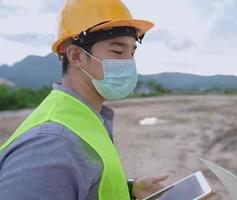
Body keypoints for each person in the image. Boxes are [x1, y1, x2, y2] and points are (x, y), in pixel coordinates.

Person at [0, 0, 169, 199]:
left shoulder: (83, 117)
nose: (129, 62)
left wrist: (129, 189)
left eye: (132, 52)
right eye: (117, 51)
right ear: (76, 56)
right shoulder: (51, 144)